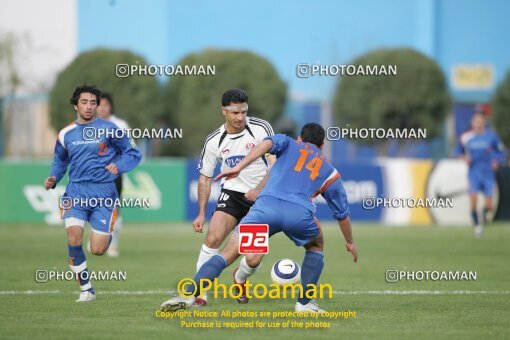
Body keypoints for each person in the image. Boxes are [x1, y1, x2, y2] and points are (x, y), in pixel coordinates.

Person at [161, 123, 358, 313]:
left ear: (300, 138)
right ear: (322, 146)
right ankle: (305, 304)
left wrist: (239, 166)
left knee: (228, 252)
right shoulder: (330, 170)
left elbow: (267, 144)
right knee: (316, 246)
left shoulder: (288, 142)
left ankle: (188, 294)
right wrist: (349, 242)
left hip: (265, 209)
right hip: (298, 214)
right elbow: (342, 213)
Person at [44, 85, 142, 302]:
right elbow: (60, 160)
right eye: (84, 102)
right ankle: (87, 290)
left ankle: (103, 233)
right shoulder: (65, 133)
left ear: (97, 105)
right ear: (75, 105)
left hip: (104, 193)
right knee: (74, 237)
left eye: (93, 103)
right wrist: (53, 177)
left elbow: (133, 153)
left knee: (98, 249)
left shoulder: (111, 129)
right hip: (76, 191)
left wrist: (119, 165)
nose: (89, 107)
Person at [191, 88, 274, 306]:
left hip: (260, 198)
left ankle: (240, 277)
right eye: (235, 113)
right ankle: (200, 292)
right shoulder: (214, 141)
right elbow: (205, 179)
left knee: (253, 258)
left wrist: (259, 189)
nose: (240, 117)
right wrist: (201, 213)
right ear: (223, 111)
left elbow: (274, 166)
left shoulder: (261, 129)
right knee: (213, 237)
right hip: (233, 194)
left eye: (244, 112)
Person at [456, 112, 505, 238]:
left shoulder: (491, 137)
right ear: (472, 123)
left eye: (480, 121)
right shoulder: (467, 138)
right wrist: (464, 158)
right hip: (474, 174)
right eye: (475, 121)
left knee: (489, 206)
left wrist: (496, 161)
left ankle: (482, 217)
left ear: (484, 122)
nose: (478, 123)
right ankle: (477, 226)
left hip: (488, 174)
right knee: (473, 202)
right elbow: (458, 152)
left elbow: (501, 152)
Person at [95, 92, 130, 257]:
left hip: (114, 174)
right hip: (93, 174)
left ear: (111, 106)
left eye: (106, 104)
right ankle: (97, 238)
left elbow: (129, 149)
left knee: (113, 208)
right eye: (99, 104)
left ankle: (113, 242)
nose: (103, 108)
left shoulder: (120, 125)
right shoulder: (89, 125)